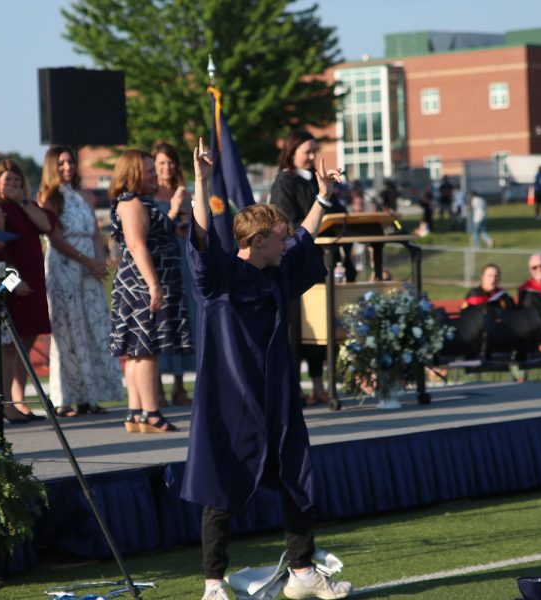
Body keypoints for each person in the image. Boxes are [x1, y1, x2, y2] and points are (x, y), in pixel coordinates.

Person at [183, 138, 352, 600]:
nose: (287, 239)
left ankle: (301, 573)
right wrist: (199, 180)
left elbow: (304, 238)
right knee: (219, 491)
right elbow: (200, 237)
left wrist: (321, 197)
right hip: (229, 401)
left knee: (298, 480)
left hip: (276, 396)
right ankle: (214, 585)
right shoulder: (217, 281)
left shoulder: (275, 270)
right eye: (278, 235)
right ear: (258, 242)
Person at [108, 150, 192, 433]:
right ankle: (150, 413)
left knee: (137, 351)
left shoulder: (141, 201)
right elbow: (136, 244)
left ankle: (135, 412)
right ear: (132, 172)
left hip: (146, 281)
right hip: (142, 284)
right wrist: (154, 285)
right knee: (145, 350)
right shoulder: (130, 202)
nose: (154, 174)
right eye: (148, 170)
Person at [38, 146, 123, 417]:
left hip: (89, 265)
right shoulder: (49, 197)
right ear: (52, 165)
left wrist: (100, 262)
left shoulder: (83, 195)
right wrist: (86, 261)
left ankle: (91, 396)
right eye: (61, 163)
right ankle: (65, 398)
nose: (67, 167)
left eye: (70, 162)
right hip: (64, 266)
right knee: (68, 331)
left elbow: (95, 233)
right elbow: (54, 238)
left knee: (92, 326)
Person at [269, 130, 349, 407]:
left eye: (315, 150)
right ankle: (295, 388)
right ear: (291, 152)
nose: (313, 156)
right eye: (307, 151)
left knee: (319, 330)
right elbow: (286, 222)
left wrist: (331, 189)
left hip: (320, 263)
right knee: (296, 331)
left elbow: (338, 213)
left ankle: (318, 386)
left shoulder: (315, 181)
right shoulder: (284, 182)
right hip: (295, 265)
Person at [0, 159, 52, 423]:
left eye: (17, 180)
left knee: (26, 344)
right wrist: (14, 283)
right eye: (7, 180)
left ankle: (19, 399)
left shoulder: (25, 207)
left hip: (36, 282)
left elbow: (47, 226)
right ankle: (6, 403)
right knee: (9, 347)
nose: (12, 185)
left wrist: (24, 202)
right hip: (14, 284)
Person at [152, 142, 197, 406]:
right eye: (161, 163)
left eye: (170, 163)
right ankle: (155, 386)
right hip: (159, 261)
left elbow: (195, 226)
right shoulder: (147, 194)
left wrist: (185, 222)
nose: (166, 168)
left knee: (183, 317)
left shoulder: (184, 192)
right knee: (160, 320)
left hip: (181, 256)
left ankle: (180, 387)